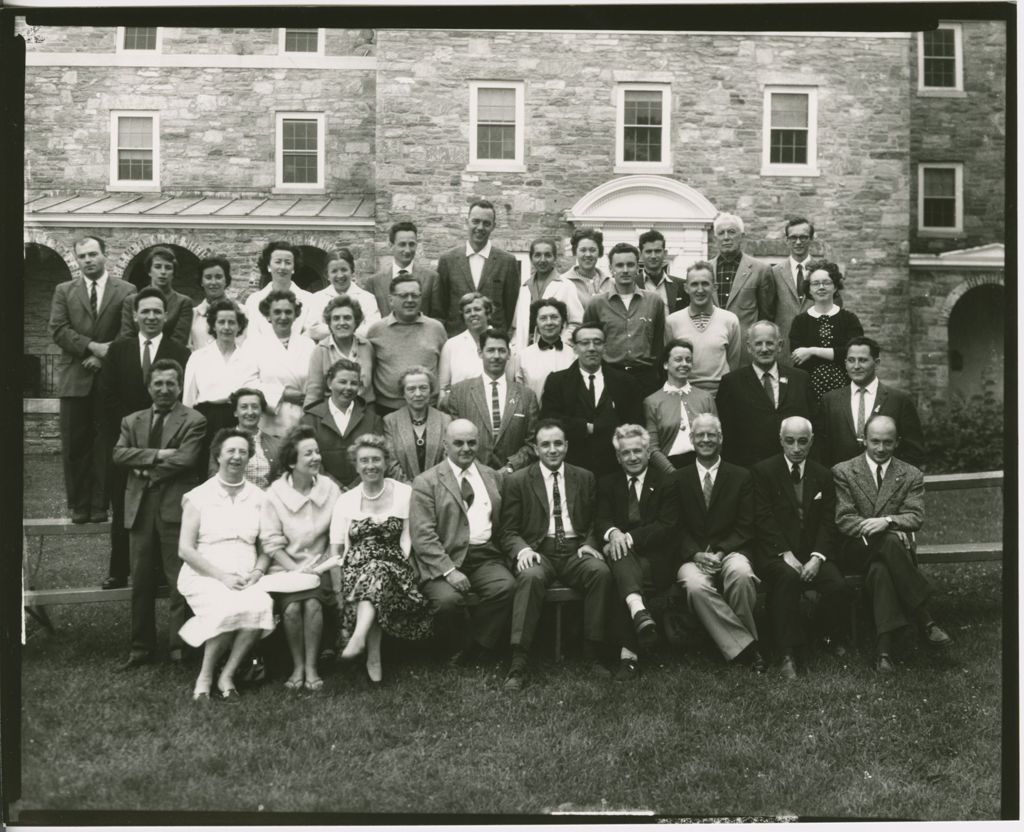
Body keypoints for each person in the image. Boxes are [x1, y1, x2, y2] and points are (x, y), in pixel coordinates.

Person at [499, 419, 619, 689]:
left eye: (557, 444)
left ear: (566, 446)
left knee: (600, 573)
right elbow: (507, 530)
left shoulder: (584, 477)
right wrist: (523, 550)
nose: (552, 450)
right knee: (529, 577)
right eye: (545, 445)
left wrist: (590, 542)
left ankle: (592, 653)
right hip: (540, 551)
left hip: (576, 550)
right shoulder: (518, 481)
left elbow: (594, 521)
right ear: (536, 448)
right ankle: (519, 662)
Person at [833, 415, 952, 673]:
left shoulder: (910, 474)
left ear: (897, 442)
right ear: (863, 439)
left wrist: (886, 521)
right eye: (874, 441)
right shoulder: (843, 471)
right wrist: (876, 527)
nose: (880, 448)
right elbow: (844, 518)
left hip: (890, 552)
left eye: (888, 442)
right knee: (887, 541)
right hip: (856, 548)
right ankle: (924, 618)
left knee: (881, 570)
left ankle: (884, 653)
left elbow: (915, 516)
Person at [112, 358, 206, 668]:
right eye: (158, 384)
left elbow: (187, 459)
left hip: (173, 508)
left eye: (170, 384)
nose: (164, 389)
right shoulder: (131, 420)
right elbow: (119, 453)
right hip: (139, 509)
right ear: (148, 386)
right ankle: (140, 649)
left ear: (180, 386)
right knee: (140, 581)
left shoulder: (194, 420)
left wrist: (147, 471)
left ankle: (180, 648)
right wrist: (159, 454)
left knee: (179, 580)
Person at [99, 288, 190, 590]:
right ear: (135, 315)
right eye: (146, 311)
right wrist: (136, 439)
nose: (151, 316)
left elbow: (182, 400)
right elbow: (107, 395)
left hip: (167, 444)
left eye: (157, 312)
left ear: (166, 316)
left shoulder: (180, 352)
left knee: (160, 509)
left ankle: (158, 570)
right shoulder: (118, 349)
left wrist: (161, 444)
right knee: (125, 507)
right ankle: (119, 569)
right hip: (127, 443)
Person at [177, 428, 276, 701]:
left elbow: (267, 546)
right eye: (230, 451)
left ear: (249, 458)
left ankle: (227, 674)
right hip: (205, 572)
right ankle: (205, 675)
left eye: (243, 452)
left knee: (260, 605)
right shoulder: (198, 497)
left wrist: (257, 572)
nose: (236, 457)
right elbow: (185, 549)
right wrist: (222, 577)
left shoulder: (260, 498)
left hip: (246, 572)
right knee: (227, 605)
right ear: (218, 456)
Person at [662, 414, 765, 672]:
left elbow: (746, 524)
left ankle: (734, 643)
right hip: (692, 555)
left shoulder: (741, 476)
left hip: (731, 550)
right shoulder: (677, 478)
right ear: (692, 439)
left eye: (711, 435)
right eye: (700, 435)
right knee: (695, 585)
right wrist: (695, 555)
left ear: (720, 439)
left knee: (741, 575)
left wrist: (721, 552)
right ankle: (749, 648)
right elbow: (673, 527)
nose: (706, 440)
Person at [751, 417, 851, 680]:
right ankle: (787, 652)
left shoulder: (822, 474)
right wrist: (784, 553)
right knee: (787, 578)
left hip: (812, 551)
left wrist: (818, 557)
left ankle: (824, 633)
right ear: (780, 440)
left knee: (837, 585)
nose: (796, 448)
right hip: (777, 551)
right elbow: (762, 518)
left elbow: (830, 520)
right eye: (790, 441)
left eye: (802, 441)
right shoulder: (763, 472)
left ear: (811, 442)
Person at [410, 419, 515, 664]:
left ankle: (478, 646)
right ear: (445, 445)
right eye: (458, 443)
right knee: (448, 602)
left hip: (485, 556)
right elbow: (422, 535)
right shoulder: (427, 482)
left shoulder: (492, 476)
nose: (466, 448)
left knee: (505, 588)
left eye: (471, 442)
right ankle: (455, 646)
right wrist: (448, 571)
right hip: (444, 559)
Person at [331, 434, 433, 684]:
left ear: (386, 463)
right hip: (355, 568)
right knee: (373, 574)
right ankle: (372, 656)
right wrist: (337, 587)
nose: (370, 466)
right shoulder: (345, 501)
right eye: (363, 460)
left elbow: (414, 536)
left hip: (397, 567)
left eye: (376, 459)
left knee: (378, 570)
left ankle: (358, 639)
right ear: (355, 465)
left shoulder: (404, 494)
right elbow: (337, 547)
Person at [50, 235, 136, 523]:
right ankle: (79, 505)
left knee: (106, 444)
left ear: (105, 254)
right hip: (74, 379)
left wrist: (103, 356)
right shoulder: (64, 290)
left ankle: (101, 505)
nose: (87, 260)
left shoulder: (126, 290)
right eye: (82, 256)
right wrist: (90, 346)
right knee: (75, 445)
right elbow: (58, 329)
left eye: (92, 254)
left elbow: (128, 333)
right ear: (77, 259)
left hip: (110, 381)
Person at [260, 425, 343, 692]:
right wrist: (296, 571)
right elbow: (272, 543)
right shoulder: (274, 494)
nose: (316, 458)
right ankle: (297, 666)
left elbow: (337, 537)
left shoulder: (330, 488)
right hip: (285, 569)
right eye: (308, 454)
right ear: (292, 461)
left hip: (323, 568)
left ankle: (311, 667)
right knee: (295, 606)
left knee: (313, 604)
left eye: (317, 452)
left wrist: (320, 567)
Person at [594, 425, 677, 680]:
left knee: (619, 560)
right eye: (626, 453)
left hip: (656, 558)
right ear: (618, 457)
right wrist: (613, 533)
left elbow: (666, 525)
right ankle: (635, 623)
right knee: (620, 559)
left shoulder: (666, 482)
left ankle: (629, 646)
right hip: (625, 560)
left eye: (638, 451)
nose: (632, 457)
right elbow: (601, 520)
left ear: (648, 452)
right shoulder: (608, 483)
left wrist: (626, 538)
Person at [540, 322, 643, 477]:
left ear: (605, 347)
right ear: (574, 348)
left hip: (615, 469)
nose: (591, 348)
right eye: (584, 343)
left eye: (597, 342)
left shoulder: (625, 382)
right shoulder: (557, 382)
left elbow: (636, 424)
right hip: (572, 468)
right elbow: (549, 421)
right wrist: (587, 428)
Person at [715, 320, 816, 468]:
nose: (764, 349)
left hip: (792, 466)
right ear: (749, 348)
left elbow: (814, 423)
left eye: (769, 343)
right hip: (749, 468)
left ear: (780, 346)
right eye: (758, 344)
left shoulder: (800, 379)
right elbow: (726, 432)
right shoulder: (731, 383)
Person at [817, 336, 925, 467]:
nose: (856, 366)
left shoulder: (899, 400)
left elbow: (914, 450)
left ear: (877, 362)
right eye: (851, 360)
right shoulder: (830, 400)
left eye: (862, 360)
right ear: (845, 363)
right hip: (840, 483)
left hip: (886, 482)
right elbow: (821, 449)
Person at [447, 328, 539, 474]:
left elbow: (532, 442)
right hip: (471, 474)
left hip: (514, 478)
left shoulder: (527, 395)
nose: (496, 356)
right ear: (480, 353)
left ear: (509, 354)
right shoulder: (459, 392)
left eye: (502, 351)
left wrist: (511, 467)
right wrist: (478, 469)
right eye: (490, 350)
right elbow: (452, 438)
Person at [182, 298, 260, 466]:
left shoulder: (249, 358)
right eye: (221, 322)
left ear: (239, 326)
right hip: (205, 421)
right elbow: (188, 400)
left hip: (238, 421)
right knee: (206, 469)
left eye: (231, 322)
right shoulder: (198, 357)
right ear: (213, 325)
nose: (226, 327)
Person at [582, 242, 665, 397]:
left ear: (638, 267)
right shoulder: (596, 304)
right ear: (611, 269)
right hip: (610, 377)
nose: (625, 270)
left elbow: (658, 344)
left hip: (646, 379)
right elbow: (588, 341)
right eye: (619, 265)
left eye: (630, 265)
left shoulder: (654, 301)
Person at [432, 199, 521, 334]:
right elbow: (440, 306)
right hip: (456, 339)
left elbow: (510, 307)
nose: (480, 227)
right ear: (467, 222)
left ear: (493, 226)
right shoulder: (448, 260)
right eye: (476, 221)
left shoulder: (507, 262)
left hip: (492, 342)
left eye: (486, 223)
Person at [365, 273, 448, 415]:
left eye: (415, 295)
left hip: (428, 407)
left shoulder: (436, 328)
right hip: (386, 409)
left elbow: (443, 367)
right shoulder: (376, 330)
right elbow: (370, 368)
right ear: (391, 300)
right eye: (403, 295)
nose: (410, 300)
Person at [301, 358, 384, 487]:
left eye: (354, 383)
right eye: (343, 382)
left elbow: (378, 457)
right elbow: (307, 459)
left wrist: (355, 488)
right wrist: (334, 487)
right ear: (329, 383)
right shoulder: (310, 419)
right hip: (322, 489)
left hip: (364, 489)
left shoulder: (372, 420)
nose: (348, 388)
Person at [788, 260, 864, 401]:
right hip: (808, 391)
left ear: (835, 287)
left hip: (846, 389)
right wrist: (835, 353)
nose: (821, 287)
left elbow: (852, 353)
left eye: (826, 283)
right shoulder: (800, 322)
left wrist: (812, 351)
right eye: (816, 283)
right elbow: (798, 357)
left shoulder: (849, 319)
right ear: (809, 289)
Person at [247, 289, 316, 438]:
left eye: (288, 312)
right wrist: (283, 394)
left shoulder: (308, 345)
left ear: (295, 314)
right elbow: (248, 383)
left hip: (302, 418)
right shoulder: (253, 345)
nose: (283, 317)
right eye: (277, 312)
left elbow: (316, 380)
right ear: (268, 315)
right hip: (269, 422)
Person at [708, 213, 776, 363]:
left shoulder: (760, 270)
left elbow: (767, 316)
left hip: (745, 351)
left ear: (742, 236)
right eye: (721, 233)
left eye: (731, 232)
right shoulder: (705, 270)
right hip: (711, 348)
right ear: (715, 238)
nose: (726, 237)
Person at [665, 261, 741, 394]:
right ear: (686, 288)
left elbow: (733, 362)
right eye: (694, 284)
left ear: (714, 287)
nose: (700, 290)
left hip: (721, 393)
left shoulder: (730, 320)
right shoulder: (672, 321)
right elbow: (669, 364)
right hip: (686, 393)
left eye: (705, 284)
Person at [643, 338, 717, 474]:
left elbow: (717, 438)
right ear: (666, 364)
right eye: (678, 359)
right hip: (668, 470)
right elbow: (652, 448)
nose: (684, 364)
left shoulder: (705, 398)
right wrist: (672, 473)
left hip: (703, 467)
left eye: (688, 360)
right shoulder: (652, 402)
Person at [511, 237, 583, 353]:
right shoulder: (524, 288)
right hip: (526, 352)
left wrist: (561, 344)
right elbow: (517, 327)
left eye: (548, 255)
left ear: (555, 258)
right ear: (531, 258)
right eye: (537, 255)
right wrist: (515, 348)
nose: (542, 260)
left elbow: (577, 323)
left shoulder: (566, 286)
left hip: (556, 352)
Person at [304, 294, 375, 410]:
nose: (342, 323)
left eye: (347, 318)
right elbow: (314, 392)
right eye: (336, 318)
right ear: (329, 323)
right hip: (333, 415)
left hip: (366, 412)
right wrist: (309, 420)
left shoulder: (366, 346)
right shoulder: (321, 350)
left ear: (356, 322)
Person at [383, 367, 452, 482]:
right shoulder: (390, 421)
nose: (418, 394)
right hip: (404, 491)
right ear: (403, 393)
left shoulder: (445, 420)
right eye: (411, 389)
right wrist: (410, 488)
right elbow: (390, 463)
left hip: (439, 488)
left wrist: (431, 488)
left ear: (431, 390)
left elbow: (448, 459)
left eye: (423, 388)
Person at [769, 217, 819, 364]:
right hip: (784, 350)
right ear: (786, 240)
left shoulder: (823, 270)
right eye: (793, 237)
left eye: (803, 237)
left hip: (816, 347)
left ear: (811, 239)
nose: (798, 242)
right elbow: (768, 312)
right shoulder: (774, 272)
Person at [119, 246, 193, 345]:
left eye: (168, 268)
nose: (163, 272)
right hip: (135, 356)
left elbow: (179, 340)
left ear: (173, 273)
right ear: (149, 271)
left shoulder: (183, 303)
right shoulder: (131, 301)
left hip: (170, 357)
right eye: (157, 267)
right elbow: (126, 337)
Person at [365, 221, 438, 319]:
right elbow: (369, 318)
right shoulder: (374, 282)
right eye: (402, 244)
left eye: (411, 244)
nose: (407, 250)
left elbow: (438, 317)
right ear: (391, 246)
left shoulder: (431, 278)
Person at [305, 247, 380, 342]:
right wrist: (350, 330)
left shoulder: (367, 298)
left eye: (344, 270)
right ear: (327, 275)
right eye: (334, 271)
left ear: (352, 271)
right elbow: (313, 330)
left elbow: (373, 330)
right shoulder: (317, 298)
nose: (340, 275)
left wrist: (332, 330)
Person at [243, 241, 315, 339]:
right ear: (268, 266)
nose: (283, 267)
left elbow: (310, 334)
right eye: (278, 262)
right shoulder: (254, 300)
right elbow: (252, 336)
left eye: (288, 262)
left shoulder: (309, 299)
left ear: (293, 267)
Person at [511, 298, 576, 401]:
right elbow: (518, 393)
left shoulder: (574, 355)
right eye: (543, 318)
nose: (549, 322)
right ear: (536, 323)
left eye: (554, 317)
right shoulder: (523, 356)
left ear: (563, 321)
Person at [437, 292, 493, 409]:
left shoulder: (502, 342)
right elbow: (444, 386)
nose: (472, 314)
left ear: (488, 313)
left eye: (477, 309)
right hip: (460, 408)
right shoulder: (452, 345)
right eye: (467, 311)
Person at [226, 387, 281, 489]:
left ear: (262, 412)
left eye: (255, 407)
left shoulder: (277, 444)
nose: (250, 412)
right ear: (235, 412)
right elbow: (214, 477)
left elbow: (281, 482)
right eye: (244, 407)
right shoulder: (223, 441)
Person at [636, 229, 687, 314]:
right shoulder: (633, 285)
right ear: (640, 255)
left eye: (657, 251)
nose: (653, 256)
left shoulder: (682, 286)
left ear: (665, 253)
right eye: (648, 251)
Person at [188, 256, 232, 351]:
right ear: (201, 282)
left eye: (218, 277)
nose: (213, 282)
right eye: (208, 277)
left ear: (226, 280)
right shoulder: (193, 315)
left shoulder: (242, 312)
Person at [561, 227, 611, 309]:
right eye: (583, 250)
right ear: (575, 251)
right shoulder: (563, 282)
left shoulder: (611, 283)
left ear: (599, 252)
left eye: (592, 250)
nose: (588, 254)